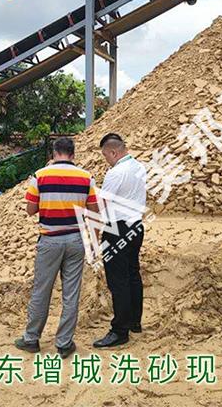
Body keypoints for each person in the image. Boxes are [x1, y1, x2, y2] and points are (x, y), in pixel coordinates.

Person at [15, 137, 98, 359]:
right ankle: (64, 343)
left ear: (53, 154)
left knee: (41, 291)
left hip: (50, 240)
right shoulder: (86, 177)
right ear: (73, 154)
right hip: (76, 240)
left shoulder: (40, 176)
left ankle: (31, 339)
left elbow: (30, 210)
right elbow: (93, 211)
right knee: (71, 293)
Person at [93, 133, 147, 348]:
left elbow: (102, 205)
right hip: (136, 226)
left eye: (106, 156)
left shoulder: (116, 173)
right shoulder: (139, 167)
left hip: (117, 229)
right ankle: (135, 321)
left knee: (118, 280)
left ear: (114, 152)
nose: (106, 160)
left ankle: (119, 331)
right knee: (133, 273)